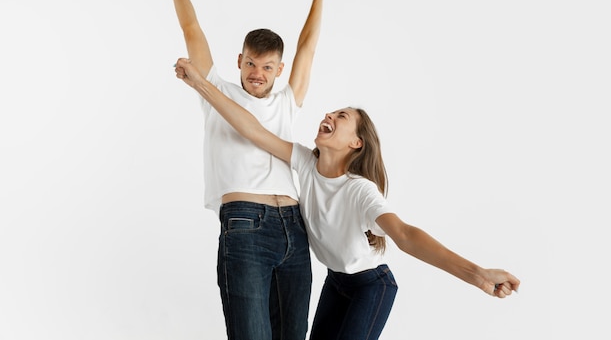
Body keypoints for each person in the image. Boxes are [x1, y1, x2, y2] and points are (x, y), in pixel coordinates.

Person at [173, 56, 521, 340]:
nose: (329, 116)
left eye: (341, 118)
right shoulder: (305, 163)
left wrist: (476, 274)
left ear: (356, 143)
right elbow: (250, 129)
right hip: (336, 282)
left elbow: (405, 236)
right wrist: (201, 85)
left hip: (372, 288)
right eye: (331, 112)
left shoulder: (359, 191)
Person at [158, 0, 345, 340]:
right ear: (238, 61)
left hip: (295, 229)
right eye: (249, 63)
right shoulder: (217, 93)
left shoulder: (287, 100)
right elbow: (191, 28)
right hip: (245, 224)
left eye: (266, 67)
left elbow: (308, 47)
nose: (256, 73)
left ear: (278, 70)